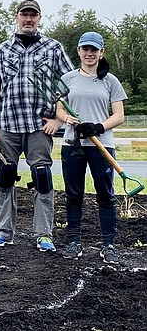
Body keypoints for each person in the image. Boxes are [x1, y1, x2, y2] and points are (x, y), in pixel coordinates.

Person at [0, 0, 73, 252]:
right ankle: (2, 231)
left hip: (39, 126)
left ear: (39, 18)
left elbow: (68, 86)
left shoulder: (53, 48)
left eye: (33, 15)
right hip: (7, 124)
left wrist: (58, 119)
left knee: (42, 176)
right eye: (25, 14)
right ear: (17, 17)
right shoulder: (2, 50)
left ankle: (44, 234)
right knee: (5, 175)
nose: (29, 19)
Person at [57, 32, 126, 264]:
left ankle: (108, 245)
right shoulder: (67, 79)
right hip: (72, 144)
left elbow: (119, 116)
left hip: (101, 146)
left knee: (106, 196)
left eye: (94, 50)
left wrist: (98, 126)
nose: (89, 53)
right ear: (78, 51)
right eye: (85, 49)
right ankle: (74, 242)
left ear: (101, 52)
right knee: (74, 195)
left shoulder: (110, 81)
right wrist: (67, 119)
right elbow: (59, 110)